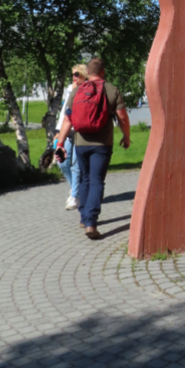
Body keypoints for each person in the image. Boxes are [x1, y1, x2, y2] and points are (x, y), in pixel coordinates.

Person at [56, 57, 130, 240]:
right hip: (102, 144)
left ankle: (83, 217)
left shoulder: (77, 90)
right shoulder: (111, 90)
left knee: (85, 178)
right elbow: (122, 117)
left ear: (87, 73)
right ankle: (91, 223)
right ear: (103, 72)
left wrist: (60, 144)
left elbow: (67, 119)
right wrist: (126, 136)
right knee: (97, 181)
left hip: (81, 143)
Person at [54, 64, 88, 210]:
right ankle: (76, 189)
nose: (74, 77)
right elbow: (64, 112)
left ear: (84, 75)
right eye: (73, 74)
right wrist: (58, 130)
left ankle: (75, 196)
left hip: (80, 132)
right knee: (61, 162)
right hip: (67, 131)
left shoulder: (88, 89)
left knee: (75, 165)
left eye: (77, 74)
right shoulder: (70, 89)